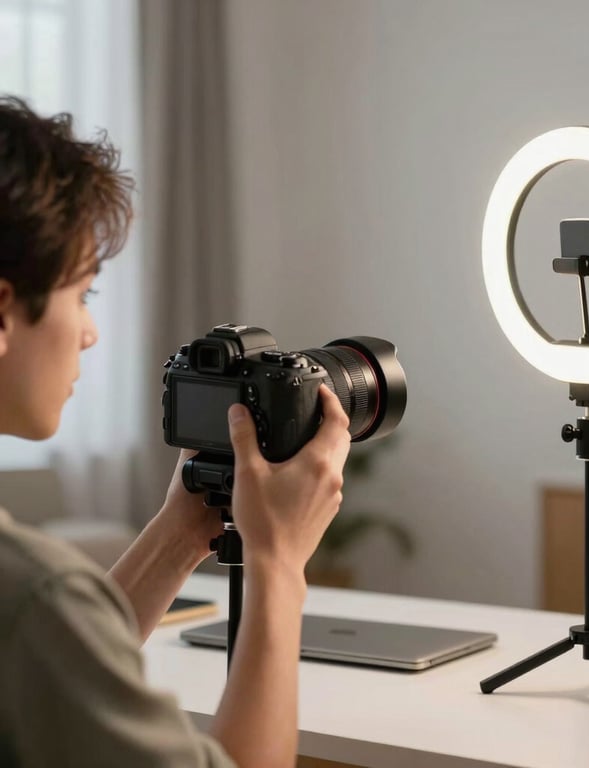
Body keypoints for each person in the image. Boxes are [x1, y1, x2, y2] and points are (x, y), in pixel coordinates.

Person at [0, 95, 351, 767]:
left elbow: (60, 667)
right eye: (82, 294)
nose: (89, 333)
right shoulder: (32, 595)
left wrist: (182, 531)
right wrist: (279, 564)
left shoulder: (34, 610)